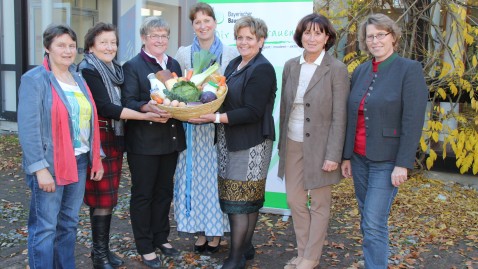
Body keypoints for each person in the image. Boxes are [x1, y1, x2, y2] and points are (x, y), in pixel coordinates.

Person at [340, 13, 427, 269]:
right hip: (358, 158)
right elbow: (351, 116)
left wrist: (403, 163)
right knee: (366, 219)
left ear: (393, 37)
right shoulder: (361, 71)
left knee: (374, 222)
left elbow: (412, 121)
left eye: (381, 35)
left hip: (387, 161)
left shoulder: (409, 70)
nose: (375, 41)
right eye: (370, 37)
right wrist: (346, 156)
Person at [189, 16, 277, 269]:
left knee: (242, 204)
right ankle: (244, 249)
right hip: (229, 139)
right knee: (239, 201)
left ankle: (236, 258)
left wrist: (214, 117)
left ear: (261, 41)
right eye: (240, 37)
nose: (243, 42)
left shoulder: (262, 68)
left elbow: (252, 111)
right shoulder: (235, 64)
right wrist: (200, 107)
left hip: (251, 143)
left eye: (250, 38)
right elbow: (221, 98)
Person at [17, 24, 104, 269]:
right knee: (45, 227)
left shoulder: (77, 77)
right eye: (60, 45)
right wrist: (39, 169)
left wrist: (96, 154)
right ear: (47, 48)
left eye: (71, 46)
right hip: (50, 164)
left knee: (68, 223)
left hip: (79, 161)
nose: (67, 51)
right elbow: (28, 128)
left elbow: (87, 119)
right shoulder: (35, 79)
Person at [79, 22, 163, 269]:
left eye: (113, 42)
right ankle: (100, 255)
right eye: (103, 42)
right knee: (101, 198)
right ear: (91, 46)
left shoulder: (114, 69)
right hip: (100, 140)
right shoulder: (89, 69)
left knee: (109, 197)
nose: (110, 47)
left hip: (114, 138)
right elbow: (106, 107)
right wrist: (146, 115)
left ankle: (101, 251)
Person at [278, 13, 349, 269]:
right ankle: (304, 252)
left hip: (322, 146)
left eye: (318, 33)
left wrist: (334, 154)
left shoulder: (336, 69)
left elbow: (340, 116)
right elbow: (285, 109)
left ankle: (309, 258)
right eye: (307, 32)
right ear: (300, 36)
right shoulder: (290, 65)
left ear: (327, 37)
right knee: (295, 200)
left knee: (319, 203)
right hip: (292, 141)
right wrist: (281, 146)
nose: (312, 37)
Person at [173, 2, 238, 254]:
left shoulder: (230, 53)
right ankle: (199, 230)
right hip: (190, 127)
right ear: (192, 26)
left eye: (207, 20)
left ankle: (215, 232)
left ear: (215, 22)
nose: (203, 26)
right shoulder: (183, 53)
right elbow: (178, 89)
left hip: (217, 127)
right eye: (197, 22)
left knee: (214, 181)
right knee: (192, 180)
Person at [121, 16, 186, 268]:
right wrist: (146, 106)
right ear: (144, 38)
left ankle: (161, 237)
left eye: (164, 36)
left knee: (164, 193)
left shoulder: (174, 64)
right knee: (143, 194)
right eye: (154, 35)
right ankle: (145, 245)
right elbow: (128, 101)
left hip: (170, 139)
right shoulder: (133, 66)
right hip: (144, 143)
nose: (160, 40)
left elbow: (180, 97)